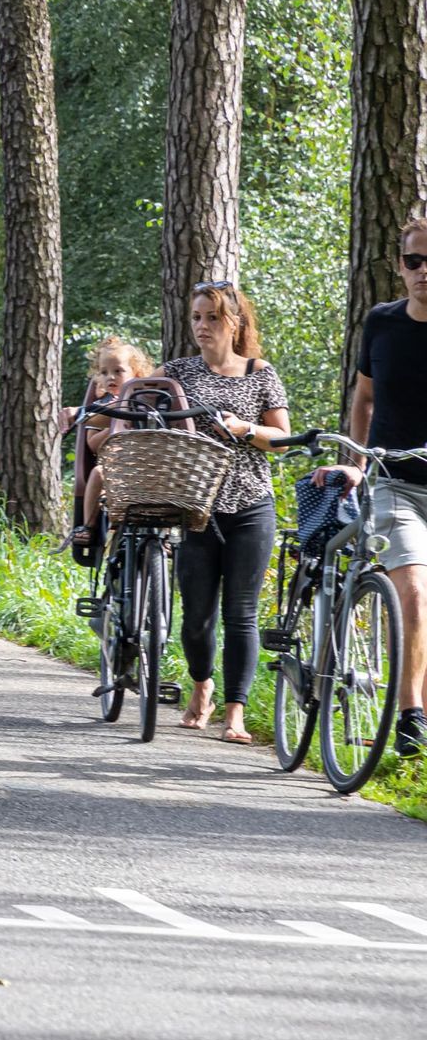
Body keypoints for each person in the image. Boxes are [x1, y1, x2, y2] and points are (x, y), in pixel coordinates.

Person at [162, 281, 290, 743]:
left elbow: (280, 438)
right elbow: (135, 406)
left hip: (252, 504)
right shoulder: (176, 372)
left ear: (233, 322)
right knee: (196, 615)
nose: (201, 326)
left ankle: (235, 712)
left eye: (211, 318)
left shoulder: (260, 373)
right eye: (196, 317)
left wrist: (244, 427)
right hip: (197, 507)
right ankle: (202, 685)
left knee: (241, 612)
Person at [319, 216, 427, 757]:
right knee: (410, 590)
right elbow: (363, 399)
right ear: (400, 265)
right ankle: (411, 715)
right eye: (414, 261)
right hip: (395, 484)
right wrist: (358, 462)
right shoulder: (381, 323)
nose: (423, 271)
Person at [67, 337, 155, 546]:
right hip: (113, 466)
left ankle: (162, 537)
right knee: (97, 473)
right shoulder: (100, 407)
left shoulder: (144, 402)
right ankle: (88, 525)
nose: (110, 377)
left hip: (145, 465)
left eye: (118, 371)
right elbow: (92, 444)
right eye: (104, 372)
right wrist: (112, 424)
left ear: (136, 373)